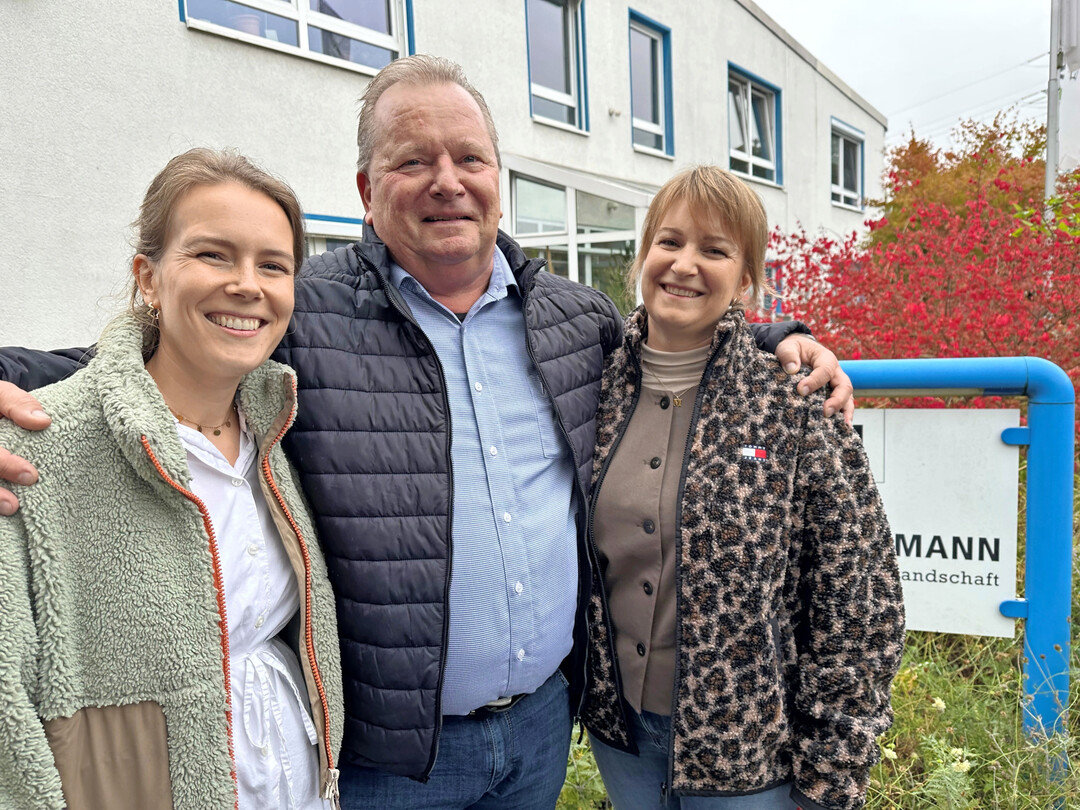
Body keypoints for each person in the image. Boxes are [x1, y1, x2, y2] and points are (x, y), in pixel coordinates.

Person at [0, 57, 854, 809]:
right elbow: (146, 358)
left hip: (540, 735)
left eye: (469, 158)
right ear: (368, 192)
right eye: (413, 161)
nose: (448, 180)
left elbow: (676, 339)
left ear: (498, 179)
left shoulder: (575, 320)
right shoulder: (304, 313)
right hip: (391, 761)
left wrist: (783, 338)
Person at [0, 149, 343, 810]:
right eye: (213, 255)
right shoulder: (37, 451)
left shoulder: (274, 435)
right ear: (148, 278)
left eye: (273, 265)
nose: (247, 284)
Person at [579, 166, 905, 810]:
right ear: (644, 254)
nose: (684, 264)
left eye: (715, 249)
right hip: (621, 737)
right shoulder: (595, 386)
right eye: (669, 241)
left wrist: (831, 775)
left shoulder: (793, 402)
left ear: (747, 279)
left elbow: (858, 598)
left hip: (749, 754)